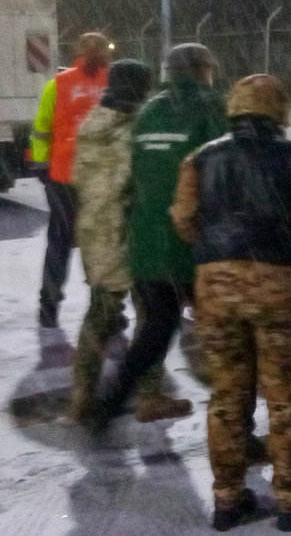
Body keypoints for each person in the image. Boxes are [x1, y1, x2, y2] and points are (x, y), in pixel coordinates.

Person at [170, 74, 291, 532]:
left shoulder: (200, 159)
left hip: (216, 292)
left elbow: (183, 220)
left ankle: (227, 498)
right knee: (284, 398)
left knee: (227, 395)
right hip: (279, 289)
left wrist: (219, 258)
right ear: (278, 112)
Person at [68, 59, 193, 424]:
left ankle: (81, 396)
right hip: (130, 233)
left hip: (94, 234)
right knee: (153, 317)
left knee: (99, 317)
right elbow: (145, 182)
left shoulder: (91, 125)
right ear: (143, 88)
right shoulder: (136, 128)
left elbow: (81, 179)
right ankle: (150, 396)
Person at [30, 33, 111, 328]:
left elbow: (41, 127)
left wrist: (41, 165)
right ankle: (105, 310)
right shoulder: (114, 85)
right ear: (105, 54)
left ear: (77, 52)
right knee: (101, 244)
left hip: (63, 175)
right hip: (101, 178)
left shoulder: (58, 84)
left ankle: (48, 307)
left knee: (59, 243)